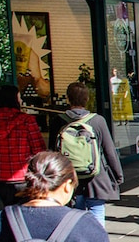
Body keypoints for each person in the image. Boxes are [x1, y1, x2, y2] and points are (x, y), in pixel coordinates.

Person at [48, 82, 124, 227]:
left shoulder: (58, 121)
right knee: (97, 213)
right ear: (87, 99)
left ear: (68, 98)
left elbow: (52, 152)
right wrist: (117, 175)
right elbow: (109, 151)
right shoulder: (97, 121)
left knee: (75, 217)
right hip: (95, 177)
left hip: (69, 178)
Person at [0, 85, 46, 207]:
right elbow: (39, 149)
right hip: (24, 176)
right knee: (24, 209)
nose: (21, 101)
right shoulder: (27, 120)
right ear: (14, 100)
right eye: (19, 97)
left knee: (8, 207)